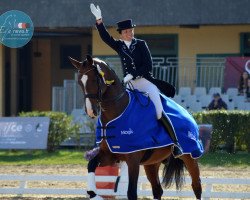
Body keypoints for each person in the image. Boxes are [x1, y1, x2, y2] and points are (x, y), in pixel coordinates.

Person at [90, 3, 183, 157]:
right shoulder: (119, 46)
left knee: (159, 111)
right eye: (126, 32)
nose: (129, 33)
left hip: (145, 82)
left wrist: (133, 74)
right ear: (121, 34)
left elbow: (148, 65)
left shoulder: (141, 44)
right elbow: (106, 37)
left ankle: (175, 144)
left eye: (131, 31)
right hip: (130, 86)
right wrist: (99, 20)